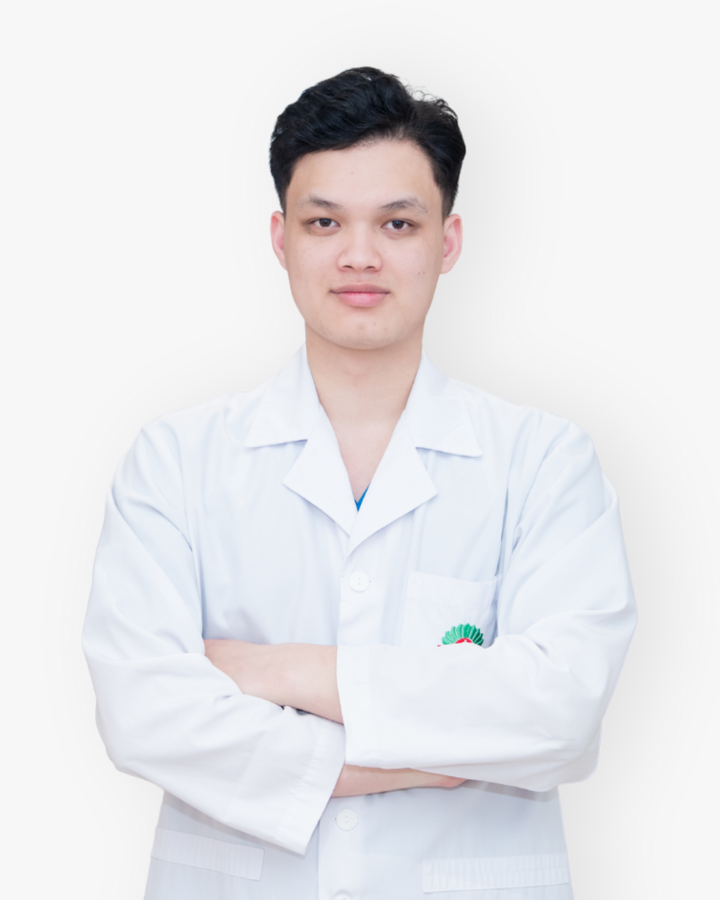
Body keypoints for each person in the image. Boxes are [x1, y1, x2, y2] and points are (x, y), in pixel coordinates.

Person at [82, 67, 636, 899]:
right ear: (281, 239)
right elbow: (144, 713)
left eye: (398, 223)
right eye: (324, 221)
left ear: (448, 242)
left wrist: (280, 672)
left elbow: (558, 708)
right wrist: (428, 750)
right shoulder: (176, 462)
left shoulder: (544, 462)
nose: (359, 256)